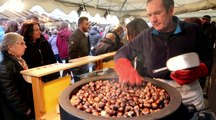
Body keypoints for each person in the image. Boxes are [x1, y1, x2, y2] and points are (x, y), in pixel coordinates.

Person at [114, 0, 213, 115]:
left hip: (189, 91)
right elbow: (122, 52)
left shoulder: (194, 30)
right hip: (159, 91)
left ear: (171, 10)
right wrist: (124, 66)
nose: (153, 20)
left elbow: (209, 58)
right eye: (149, 15)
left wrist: (198, 71)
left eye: (157, 13)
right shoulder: (146, 36)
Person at [0, 32, 34, 120]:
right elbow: (10, 93)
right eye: (22, 43)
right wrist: (24, 109)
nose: (25, 46)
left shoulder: (18, 60)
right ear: (10, 46)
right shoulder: (4, 65)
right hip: (16, 113)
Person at [69, 16, 90, 82]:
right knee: (79, 83)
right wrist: (77, 64)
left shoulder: (83, 34)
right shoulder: (75, 35)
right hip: (78, 66)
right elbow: (71, 51)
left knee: (84, 82)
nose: (88, 26)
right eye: (86, 24)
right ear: (81, 25)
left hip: (84, 63)